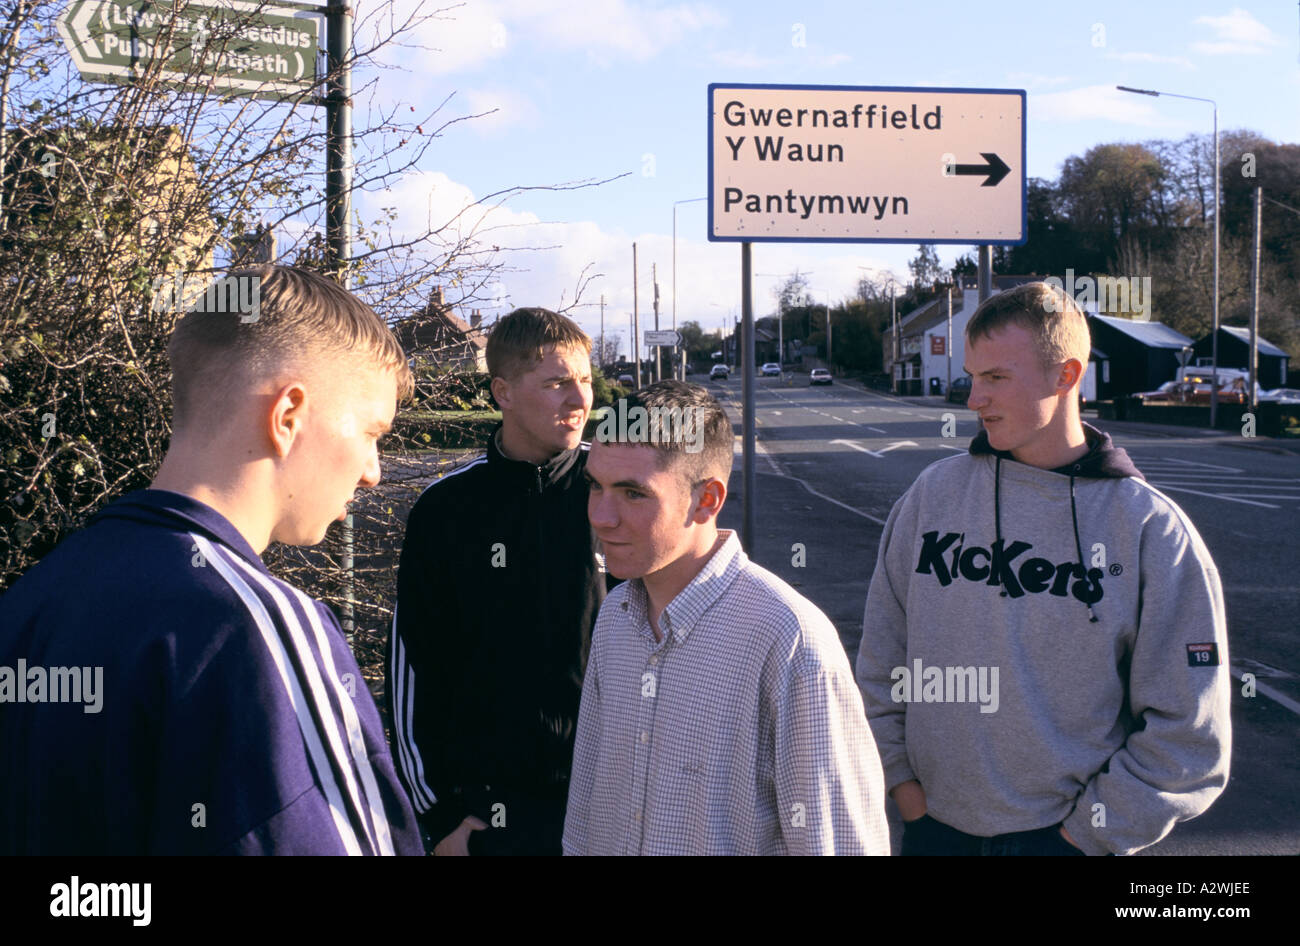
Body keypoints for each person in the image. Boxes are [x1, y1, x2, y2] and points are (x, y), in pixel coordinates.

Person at [0, 264, 424, 854]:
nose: (374, 473)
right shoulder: (257, 629)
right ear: (288, 416)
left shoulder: (33, 598)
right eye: (373, 433)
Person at [856, 282, 1232, 856]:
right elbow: (882, 658)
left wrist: (1080, 839)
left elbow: (1189, 733)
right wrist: (903, 788)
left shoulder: (1149, 529)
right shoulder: (933, 496)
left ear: (1067, 375)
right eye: (972, 376)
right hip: (933, 831)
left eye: (996, 378)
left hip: (1064, 843)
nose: (973, 399)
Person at [563, 381, 890, 855]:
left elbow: (838, 843)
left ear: (707, 500)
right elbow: (588, 803)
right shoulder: (615, 614)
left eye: (633, 493)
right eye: (595, 486)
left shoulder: (789, 640)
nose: (601, 517)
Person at [388, 307, 604, 855]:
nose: (580, 401)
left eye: (584, 380)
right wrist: (441, 817)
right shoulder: (446, 511)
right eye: (557, 384)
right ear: (503, 391)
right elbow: (414, 667)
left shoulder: (615, 495)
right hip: (490, 821)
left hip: (613, 802)